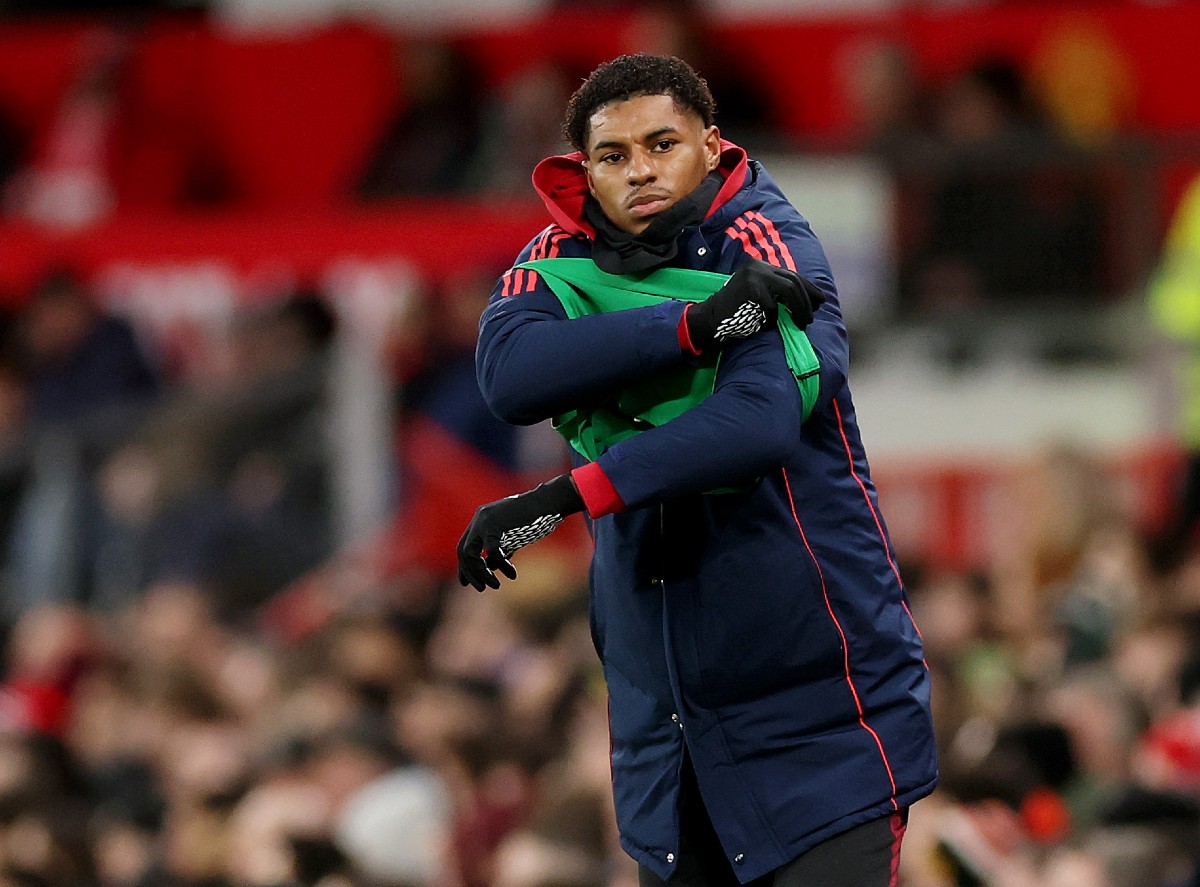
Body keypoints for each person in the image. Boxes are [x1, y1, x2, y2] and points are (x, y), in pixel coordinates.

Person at [456, 54, 938, 886]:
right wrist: (693, 327)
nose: (639, 169)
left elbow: (756, 422)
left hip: (822, 725)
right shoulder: (560, 255)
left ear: (712, 147)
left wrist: (568, 494)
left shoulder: (768, 239)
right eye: (613, 155)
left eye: (662, 143)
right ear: (584, 172)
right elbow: (509, 374)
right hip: (668, 743)